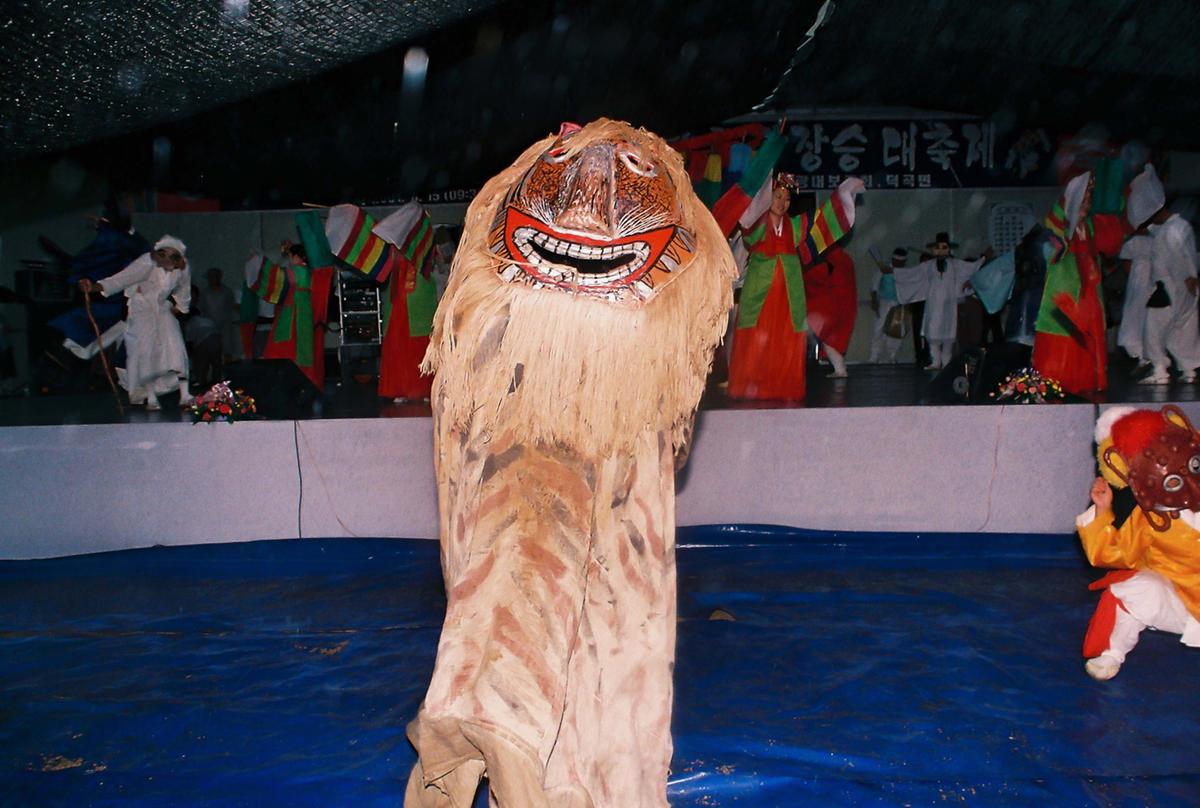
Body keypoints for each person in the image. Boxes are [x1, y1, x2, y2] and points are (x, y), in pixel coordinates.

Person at [1077, 406, 1200, 680]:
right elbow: (1110, 554)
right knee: (1135, 588)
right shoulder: (1148, 522)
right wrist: (1102, 511)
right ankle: (1112, 654)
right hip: (1184, 604)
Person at [727, 175, 863, 400]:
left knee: (786, 335)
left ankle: (782, 384)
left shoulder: (796, 225)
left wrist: (844, 194)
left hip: (789, 289)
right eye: (777, 197)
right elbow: (749, 231)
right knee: (757, 333)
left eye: (787, 199)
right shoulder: (758, 224)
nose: (782, 203)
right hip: (761, 289)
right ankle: (753, 384)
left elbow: (822, 220)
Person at [1031, 170, 1127, 395]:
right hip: (1065, 299)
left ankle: (1086, 387)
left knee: (1088, 344)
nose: (1087, 203)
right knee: (1062, 347)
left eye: (1088, 199)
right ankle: (1058, 388)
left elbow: (1112, 242)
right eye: (1082, 199)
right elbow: (1049, 252)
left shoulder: (1090, 226)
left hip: (1089, 298)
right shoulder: (1057, 228)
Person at [79, 235, 192, 411]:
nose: (165, 258)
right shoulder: (146, 262)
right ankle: (151, 397)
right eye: (163, 254)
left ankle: (185, 395)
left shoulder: (182, 268)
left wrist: (180, 308)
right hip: (141, 309)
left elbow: (184, 289)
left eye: (171, 255)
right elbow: (120, 279)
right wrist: (94, 287)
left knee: (175, 346)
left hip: (162, 308)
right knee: (145, 352)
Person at [893, 232, 988, 371]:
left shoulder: (955, 264)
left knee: (948, 335)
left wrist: (983, 258)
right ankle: (935, 362)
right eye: (938, 248)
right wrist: (894, 272)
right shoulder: (928, 266)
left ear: (948, 249)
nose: (941, 251)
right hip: (933, 304)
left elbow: (971, 268)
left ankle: (947, 362)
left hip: (949, 304)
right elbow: (913, 274)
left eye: (944, 247)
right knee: (933, 332)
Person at [1139, 201, 1200, 384]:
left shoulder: (1171, 230)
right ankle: (1189, 369)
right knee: (1183, 328)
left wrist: (1189, 275)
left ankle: (1159, 370)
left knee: (1154, 328)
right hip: (1183, 286)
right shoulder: (1179, 226)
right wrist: (1191, 276)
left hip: (1169, 286)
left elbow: (1181, 257)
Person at [803, 242, 857, 377]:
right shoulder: (844, 259)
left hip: (828, 305)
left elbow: (816, 277)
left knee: (815, 333)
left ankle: (794, 365)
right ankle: (840, 370)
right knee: (830, 340)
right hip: (844, 304)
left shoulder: (829, 261)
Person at [868, 248, 906, 363]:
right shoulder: (883, 269)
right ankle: (874, 356)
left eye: (902, 262)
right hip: (884, 302)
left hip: (899, 303)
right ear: (893, 259)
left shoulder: (904, 272)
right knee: (878, 329)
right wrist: (874, 300)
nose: (899, 264)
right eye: (897, 261)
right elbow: (874, 285)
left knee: (896, 330)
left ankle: (892, 356)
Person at [197, 267, 238, 365]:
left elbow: (232, 307)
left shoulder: (227, 292)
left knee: (227, 347)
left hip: (225, 325)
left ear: (219, 277)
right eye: (210, 277)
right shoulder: (204, 293)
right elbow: (201, 309)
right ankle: (213, 372)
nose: (212, 279)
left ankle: (228, 370)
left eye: (215, 276)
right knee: (210, 349)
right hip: (209, 325)